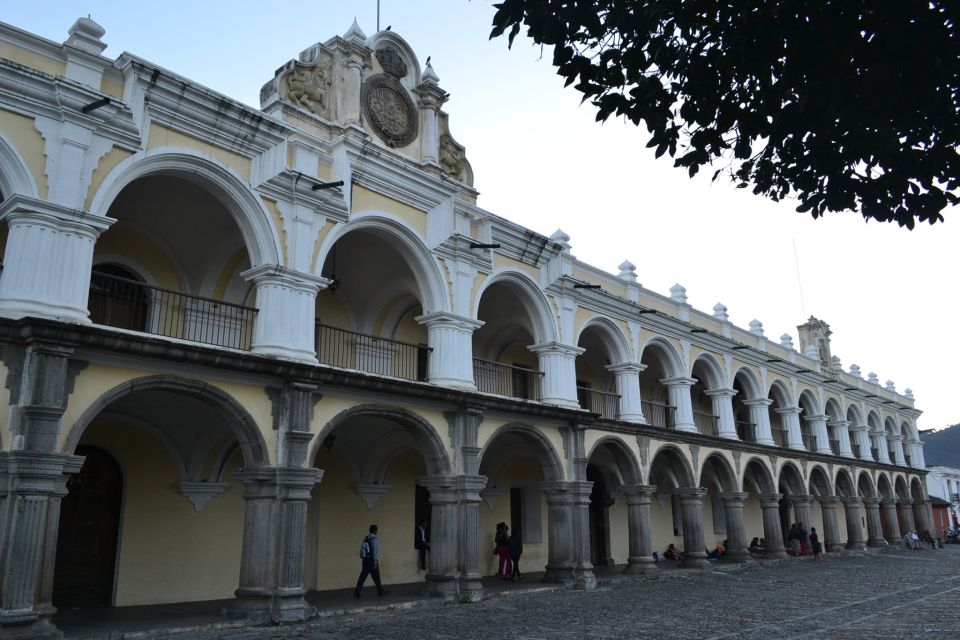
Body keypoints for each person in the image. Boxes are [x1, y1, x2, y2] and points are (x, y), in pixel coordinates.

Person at [354, 524, 386, 597]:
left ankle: (357, 592)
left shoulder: (366, 538)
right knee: (376, 577)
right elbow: (375, 551)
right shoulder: (374, 539)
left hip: (365, 561)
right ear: (375, 531)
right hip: (372, 561)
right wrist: (375, 562)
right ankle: (380, 591)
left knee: (362, 576)